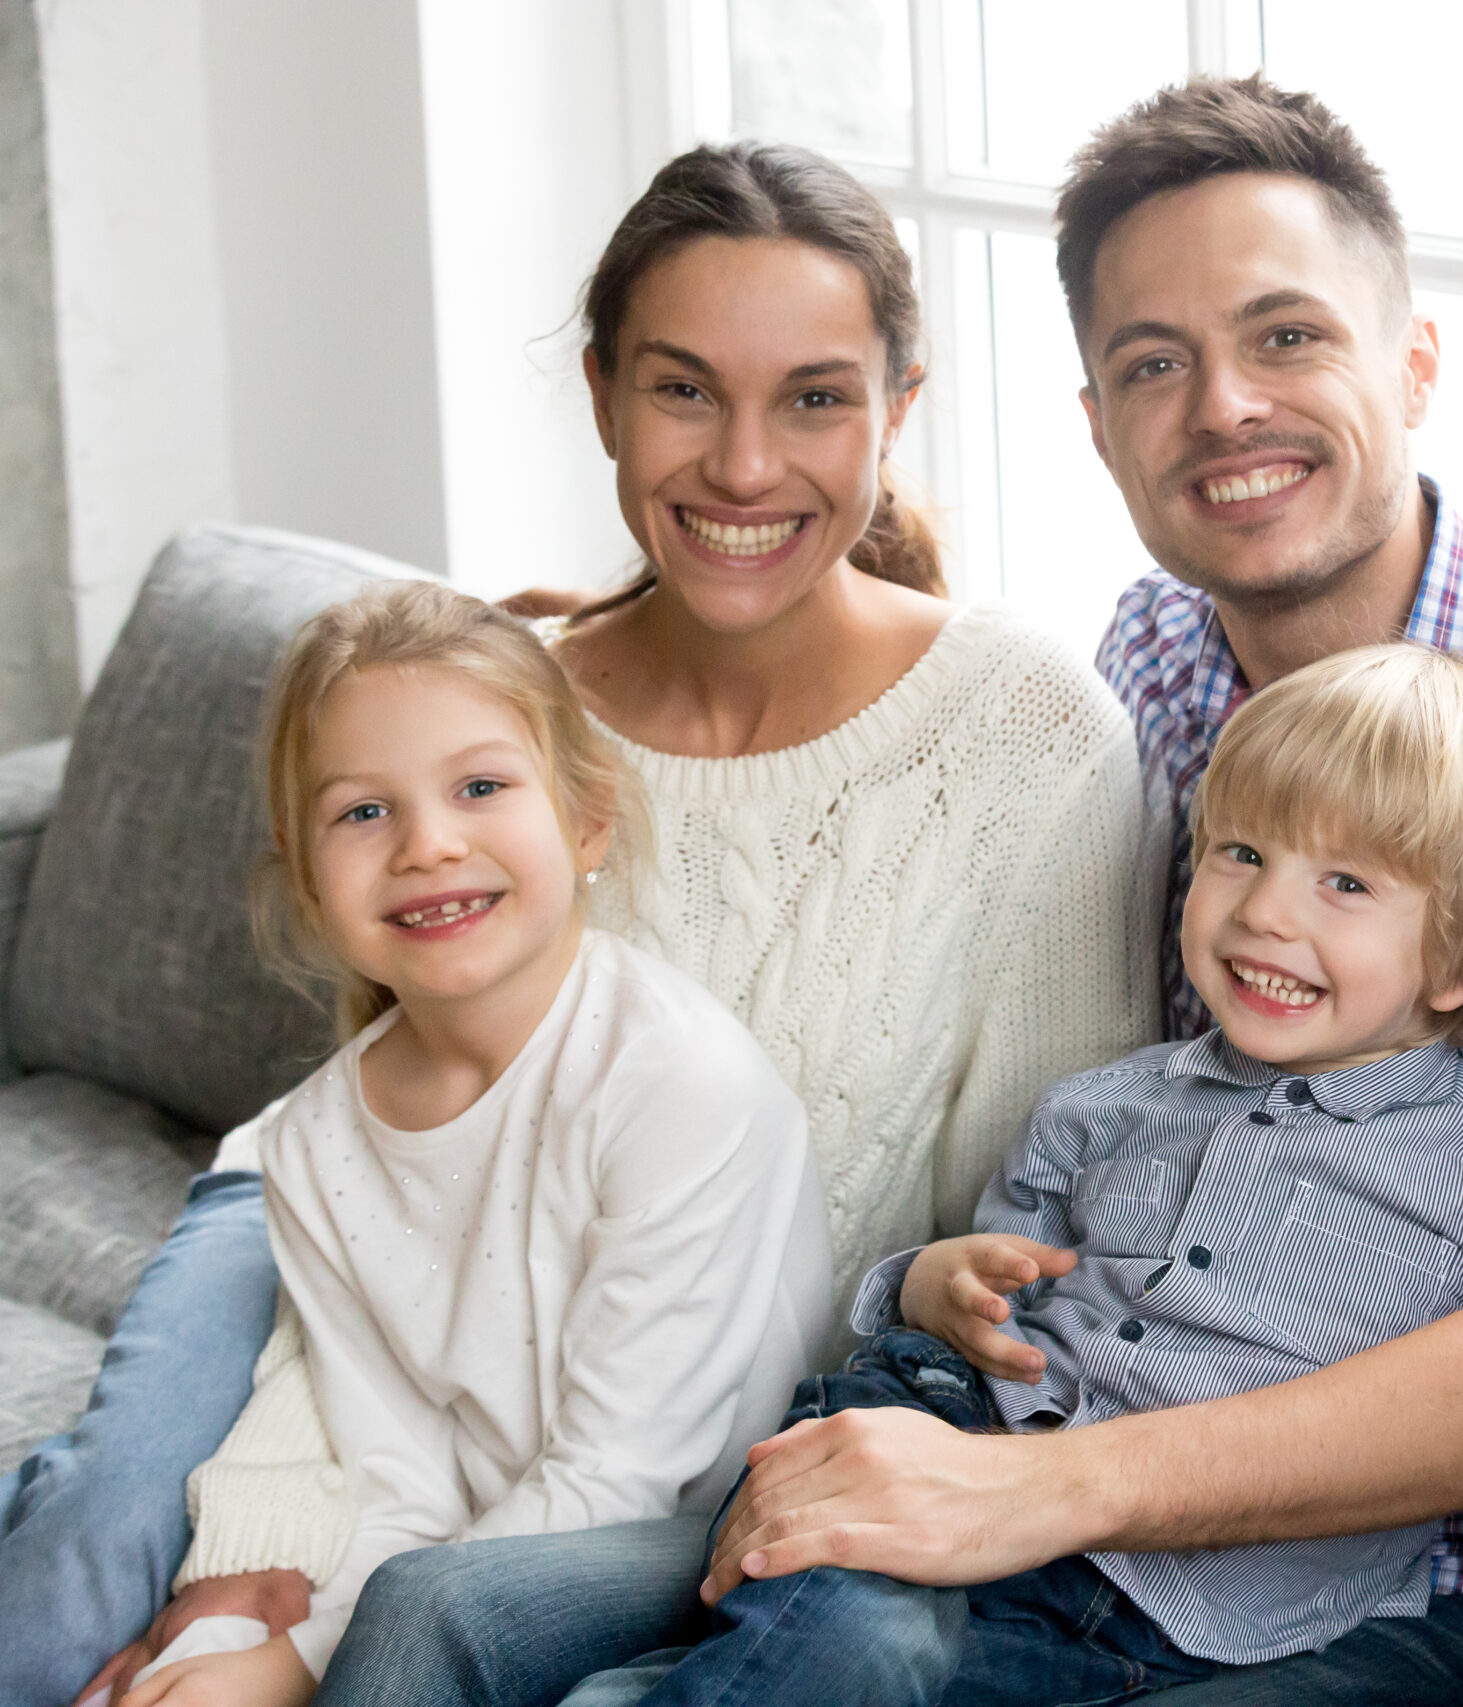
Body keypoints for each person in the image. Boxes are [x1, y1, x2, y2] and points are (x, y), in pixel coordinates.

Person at [2, 142, 1158, 1707]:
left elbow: (1040, 1231)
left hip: (703, 1393)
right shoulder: (505, 709)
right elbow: (397, 1154)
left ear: (898, 405)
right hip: (341, 1229)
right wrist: (245, 1573)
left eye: (814, 397)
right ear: (605, 394)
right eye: (684, 390)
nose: (743, 465)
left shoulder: (1032, 730)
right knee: (96, 1536)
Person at [688, 76, 1463, 1703]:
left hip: (1422, 1586)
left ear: (1413, 364)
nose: (1223, 408)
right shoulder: (1159, 654)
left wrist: (1045, 1488)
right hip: (1071, 1512)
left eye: (1286, 337)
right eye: (1154, 363)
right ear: (1099, 424)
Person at [561, 644, 1463, 1707]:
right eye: (1241, 853)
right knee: (852, 1613)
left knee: (814, 1668)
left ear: (1456, 960)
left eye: (1346, 884)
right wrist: (932, 1282)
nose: (1267, 913)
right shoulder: (1102, 1104)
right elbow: (985, 1305)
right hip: (949, 1441)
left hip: (1179, 1627)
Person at [112, 582, 834, 1707]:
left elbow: (620, 1480)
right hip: (464, 1568)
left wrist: (297, 1664)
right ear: (305, 875)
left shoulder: (676, 1082)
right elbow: (396, 1478)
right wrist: (239, 1656)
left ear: (586, 819)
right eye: (364, 811)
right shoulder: (310, 1147)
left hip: (695, 1559)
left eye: (481, 787)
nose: (428, 845)